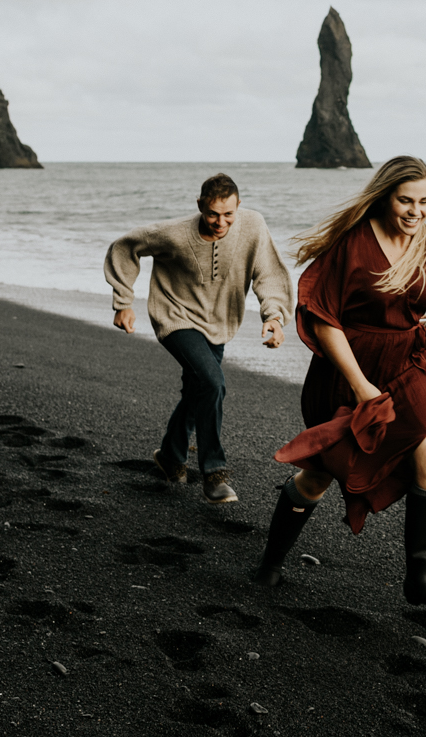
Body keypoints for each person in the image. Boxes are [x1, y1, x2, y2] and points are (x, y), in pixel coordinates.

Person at [251, 156, 426, 613]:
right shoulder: (352, 243)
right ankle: (271, 560)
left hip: (406, 364)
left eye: (424, 202)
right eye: (406, 200)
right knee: (320, 472)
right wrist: (362, 386)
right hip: (345, 369)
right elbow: (324, 320)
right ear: (385, 196)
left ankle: (421, 577)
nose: (415, 211)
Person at [104, 173, 292, 504]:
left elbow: (270, 272)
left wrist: (274, 316)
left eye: (229, 214)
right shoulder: (173, 234)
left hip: (218, 323)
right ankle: (214, 473)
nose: (221, 222)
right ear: (200, 206)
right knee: (213, 382)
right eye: (213, 214)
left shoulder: (253, 226)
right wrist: (123, 302)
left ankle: (170, 457)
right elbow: (125, 247)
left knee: (197, 392)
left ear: (239, 206)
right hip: (174, 317)